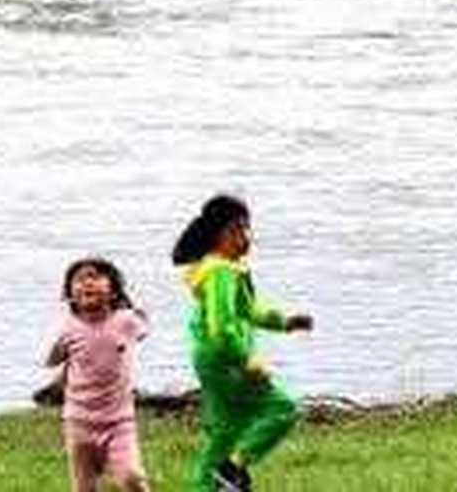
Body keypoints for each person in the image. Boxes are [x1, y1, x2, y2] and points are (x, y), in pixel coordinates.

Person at [170, 195, 313, 492]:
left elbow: (248, 309)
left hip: (213, 358)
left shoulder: (226, 268)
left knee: (225, 430)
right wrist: (244, 360)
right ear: (215, 235)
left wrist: (284, 322)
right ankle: (232, 469)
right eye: (235, 230)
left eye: (246, 229)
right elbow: (221, 328)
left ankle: (210, 483)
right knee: (283, 408)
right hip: (224, 358)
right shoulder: (220, 272)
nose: (244, 237)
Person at [45, 256, 153, 492]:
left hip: (119, 422)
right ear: (70, 295)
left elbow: (144, 325)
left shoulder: (125, 322)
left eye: (95, 277)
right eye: (79, 280)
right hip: (78, 423)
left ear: (113, 291)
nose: (88, 283)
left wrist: (136, 313)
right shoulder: (68, 329)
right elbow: (51, 360)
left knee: (132, 478)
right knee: (84, 487)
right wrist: (65, 371)